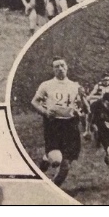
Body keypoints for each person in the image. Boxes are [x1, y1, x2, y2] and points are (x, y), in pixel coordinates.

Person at [32, 57, 85, 187]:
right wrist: (44, 112)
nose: (60, 68)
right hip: (53, 124)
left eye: (62, 65)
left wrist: (82, 100)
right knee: (56, 159)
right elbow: (34, 102)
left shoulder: (74, 86)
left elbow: (82, 107)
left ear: (67, 67)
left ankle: (54, 187)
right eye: (56, 66)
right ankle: (46, 159)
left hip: (70, 124)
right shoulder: (46, 85)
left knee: (66, 163)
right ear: (53, 70)